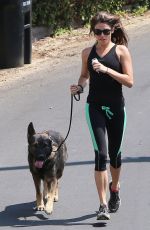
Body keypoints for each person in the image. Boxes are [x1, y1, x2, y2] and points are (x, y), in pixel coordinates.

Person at [70, 11, 133, 220]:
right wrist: (79, 87)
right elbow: (84, 75)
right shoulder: (87, 53)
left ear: (112, 30)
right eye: (98, 32)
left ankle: (115, 189)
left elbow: (129, 81)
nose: (102, 36)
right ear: (93, 31)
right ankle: (102, 204)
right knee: (101, 155)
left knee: (115, 155)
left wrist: (106, 70)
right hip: (94, 107)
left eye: (106, 31)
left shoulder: (121, 51)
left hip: (116, 108)